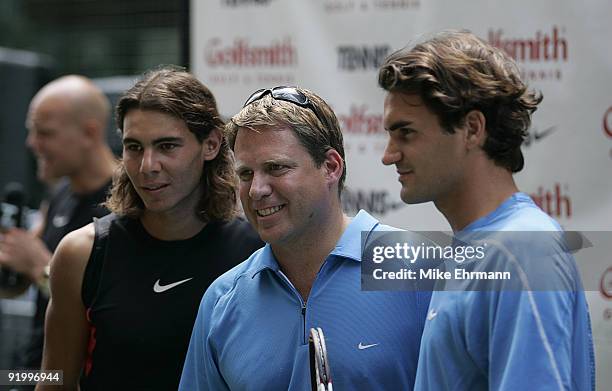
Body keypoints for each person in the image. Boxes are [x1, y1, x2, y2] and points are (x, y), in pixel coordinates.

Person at [378, 30, 594, 390]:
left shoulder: (523, 249)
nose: (389, 155)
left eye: (406, 133)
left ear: (472, 129)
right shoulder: (486, 246)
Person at [179, 86, 431, 390]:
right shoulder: (222, 299)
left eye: (276, 168)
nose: (257, 189)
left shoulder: (420, 267)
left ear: (331, 167)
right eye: (246, 174)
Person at [38, 67, 263, 391]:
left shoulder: (255, 251)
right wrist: (12, 376)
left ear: (211, 144)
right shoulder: (83, 253)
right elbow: (53, 379)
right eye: (134, 147)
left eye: (167, 146)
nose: (147, 166)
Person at [0, 75, 116, 371]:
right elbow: (20, 280)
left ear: (89, 133)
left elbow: (111, 309)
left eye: (45, 133)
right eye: (32, 132)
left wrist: (39, 266)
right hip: (33, 370)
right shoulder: (61, 193)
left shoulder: (126, 201)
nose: (32, 143)